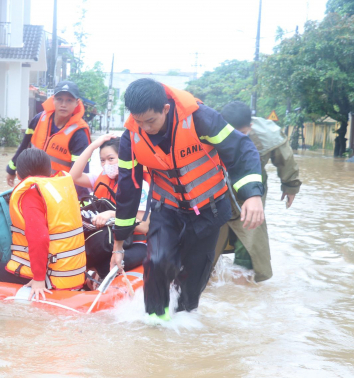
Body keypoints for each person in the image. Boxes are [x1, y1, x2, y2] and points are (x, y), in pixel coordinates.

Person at [110, 79, 265, 320]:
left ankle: (184, 323)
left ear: (165, 109)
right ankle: (155, 322)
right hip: (166, 209)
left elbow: (242, 150)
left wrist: (253, 195)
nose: (145, 128)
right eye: (138, 122)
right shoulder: (131, 137)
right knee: (157, 261)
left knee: (193, 278)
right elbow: (128, 188)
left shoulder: (201, 118)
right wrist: (119, 242)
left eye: (150, 121)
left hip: (208, 210)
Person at [214, 101, 302, 281]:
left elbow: (286, 159)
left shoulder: (267, 136)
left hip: (252, 193)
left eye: (243, 134)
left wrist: (290, 186)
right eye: (232, 134)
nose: (237, 139)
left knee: (249, 243)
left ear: (251, 127)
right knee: (210, 244)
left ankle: (244, 289)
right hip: (217, 191)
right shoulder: (209, 131)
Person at [0, 148, 86, 301]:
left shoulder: (31, 193)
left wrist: (38, 279)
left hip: (54, 277)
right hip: (73, 272)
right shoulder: (59, 189)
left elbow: (40, 238)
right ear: (49, 172)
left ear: (18, 176)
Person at [69, 134, 149, 278]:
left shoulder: (140, 186)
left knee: (107, 264)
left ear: (124, 158)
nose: (106, 164)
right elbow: (73, 176)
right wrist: (93, 146)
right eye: (102, 160)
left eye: (111, 159)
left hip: (135, 244)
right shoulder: (101, 177)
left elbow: (144, 226)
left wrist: (112, 214)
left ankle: (95, 277)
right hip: (105, 241)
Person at [5, 81, 91, 194]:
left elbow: (81, 173)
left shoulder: (79, 133)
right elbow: (24, 146)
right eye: (59, 99)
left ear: (76, 103)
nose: (63, 104)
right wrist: (11, 169)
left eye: (69, 100)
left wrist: (81, 203)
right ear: (53, 100)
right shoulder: (38, 119)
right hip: (31, 185)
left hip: (58, 193)